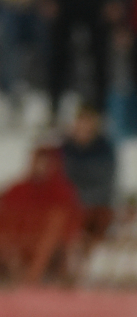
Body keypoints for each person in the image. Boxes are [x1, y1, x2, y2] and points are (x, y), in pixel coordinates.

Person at [0, 145, 83, 284]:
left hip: (48, 248)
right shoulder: (17, 189)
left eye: (46, 163)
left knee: (51, 235)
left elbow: (67, 227)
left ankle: (32, 276)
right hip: (14, 245)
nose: (41, 167)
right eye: (38, 162)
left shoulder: (63, 193)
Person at [62, 105, 117, 255]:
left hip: (96, 206)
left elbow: (105, 182)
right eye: (81, 121)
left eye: (88, 121)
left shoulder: (105, 149)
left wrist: (78, 199)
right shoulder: (65, 148)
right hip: (68, 206)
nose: (84, 126)